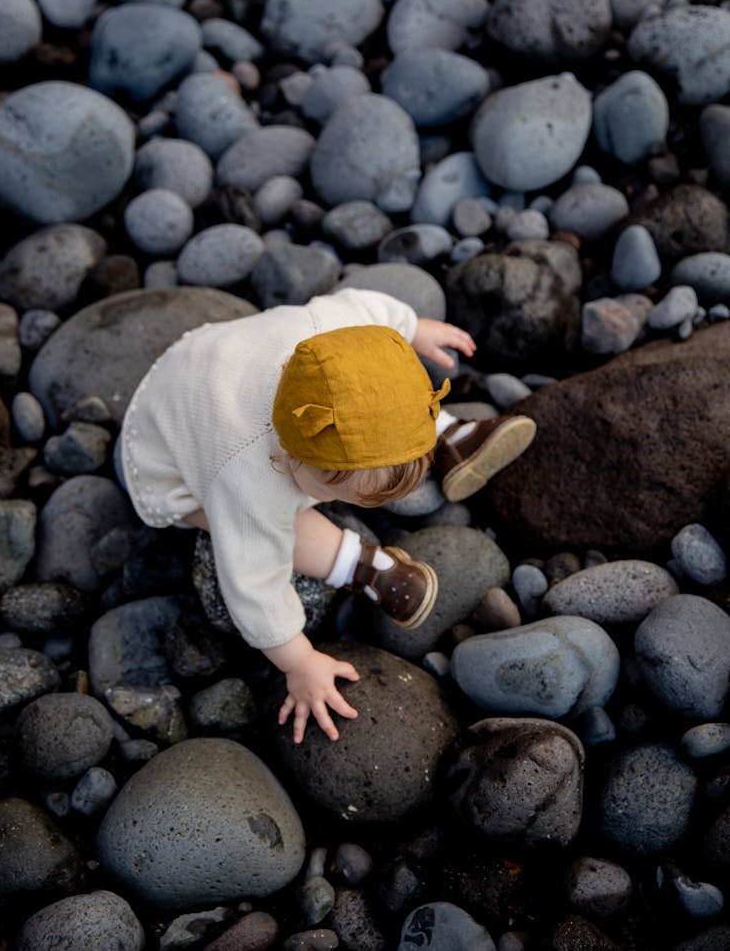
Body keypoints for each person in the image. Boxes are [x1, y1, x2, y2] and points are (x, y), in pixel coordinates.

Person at [118, 287, 536, 744]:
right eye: (352, 497)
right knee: (283, 525)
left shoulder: (339, 334)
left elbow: (373, 309)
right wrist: (299, 661)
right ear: (294, 461)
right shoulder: (249, 476)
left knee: (387, 400)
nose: (368, 505)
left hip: (217, 355)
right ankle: (364, 566)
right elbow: (252, 582)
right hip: (162, 448)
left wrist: (413, 328)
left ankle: (449, 434)